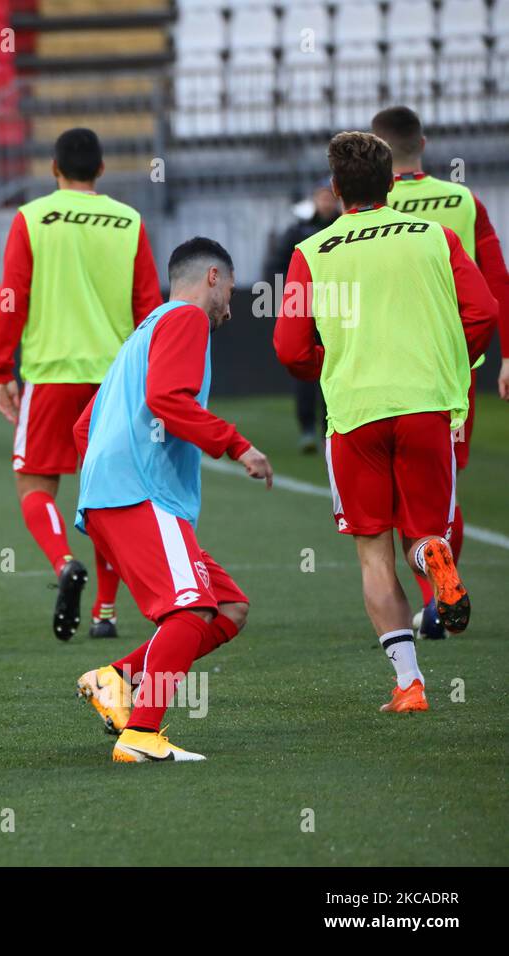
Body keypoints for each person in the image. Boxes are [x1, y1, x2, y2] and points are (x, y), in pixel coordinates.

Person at [274, 131, 497, 713]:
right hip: (425, 404)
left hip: (355, 414)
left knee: (373, 553)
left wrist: (334, 362)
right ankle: (434, 561)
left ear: (336, 188)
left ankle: (409, 685)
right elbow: (484, 312)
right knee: (424, 531)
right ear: (391, 182)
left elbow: (290, 348)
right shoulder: (436, 238)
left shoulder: (312, 252)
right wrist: (450, 357)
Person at [73, 238, 272, 762]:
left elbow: (82, 427)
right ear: (212, 278)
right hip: (141, 494)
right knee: (189, 611)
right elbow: (166, 400)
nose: (231, 302)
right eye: (230, 288)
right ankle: (140, 734)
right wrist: (236, 444)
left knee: (228, 607)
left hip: (115, 496)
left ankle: (115, 678)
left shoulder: (141, 334)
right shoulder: (187, 320)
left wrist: (103, 481)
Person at [0, 127, 162, 641]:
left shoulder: (32, 217)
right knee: (110, 496)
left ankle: (64, 562)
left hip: (51, 374)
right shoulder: (129, 220)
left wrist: (0, 368)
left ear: (53, 169)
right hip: (114, 379)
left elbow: (12, 297)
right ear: (102, 170)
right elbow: (149, 307)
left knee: (35, 484)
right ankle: (105, 614)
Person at [370, 105, 509, 638]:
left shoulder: (368, 206)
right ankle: (436, 600)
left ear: (373, 152)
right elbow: (496, 283)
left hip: (381, 371)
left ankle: (427, 599)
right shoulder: (462, 201)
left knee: (396, 499)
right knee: (443, 488)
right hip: (453, 372)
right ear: (422, 143)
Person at [261, 182, 340, 452]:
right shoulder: (298, 230)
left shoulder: (344, 227)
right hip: (308, 310)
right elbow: (275, 266)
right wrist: (292, 294)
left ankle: (331, 426)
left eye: (329, 198)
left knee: (336, 368)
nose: (326, 203)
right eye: (321, 198)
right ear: (314, 200)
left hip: (339, 309)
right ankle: (307, 429)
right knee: (307, 369)